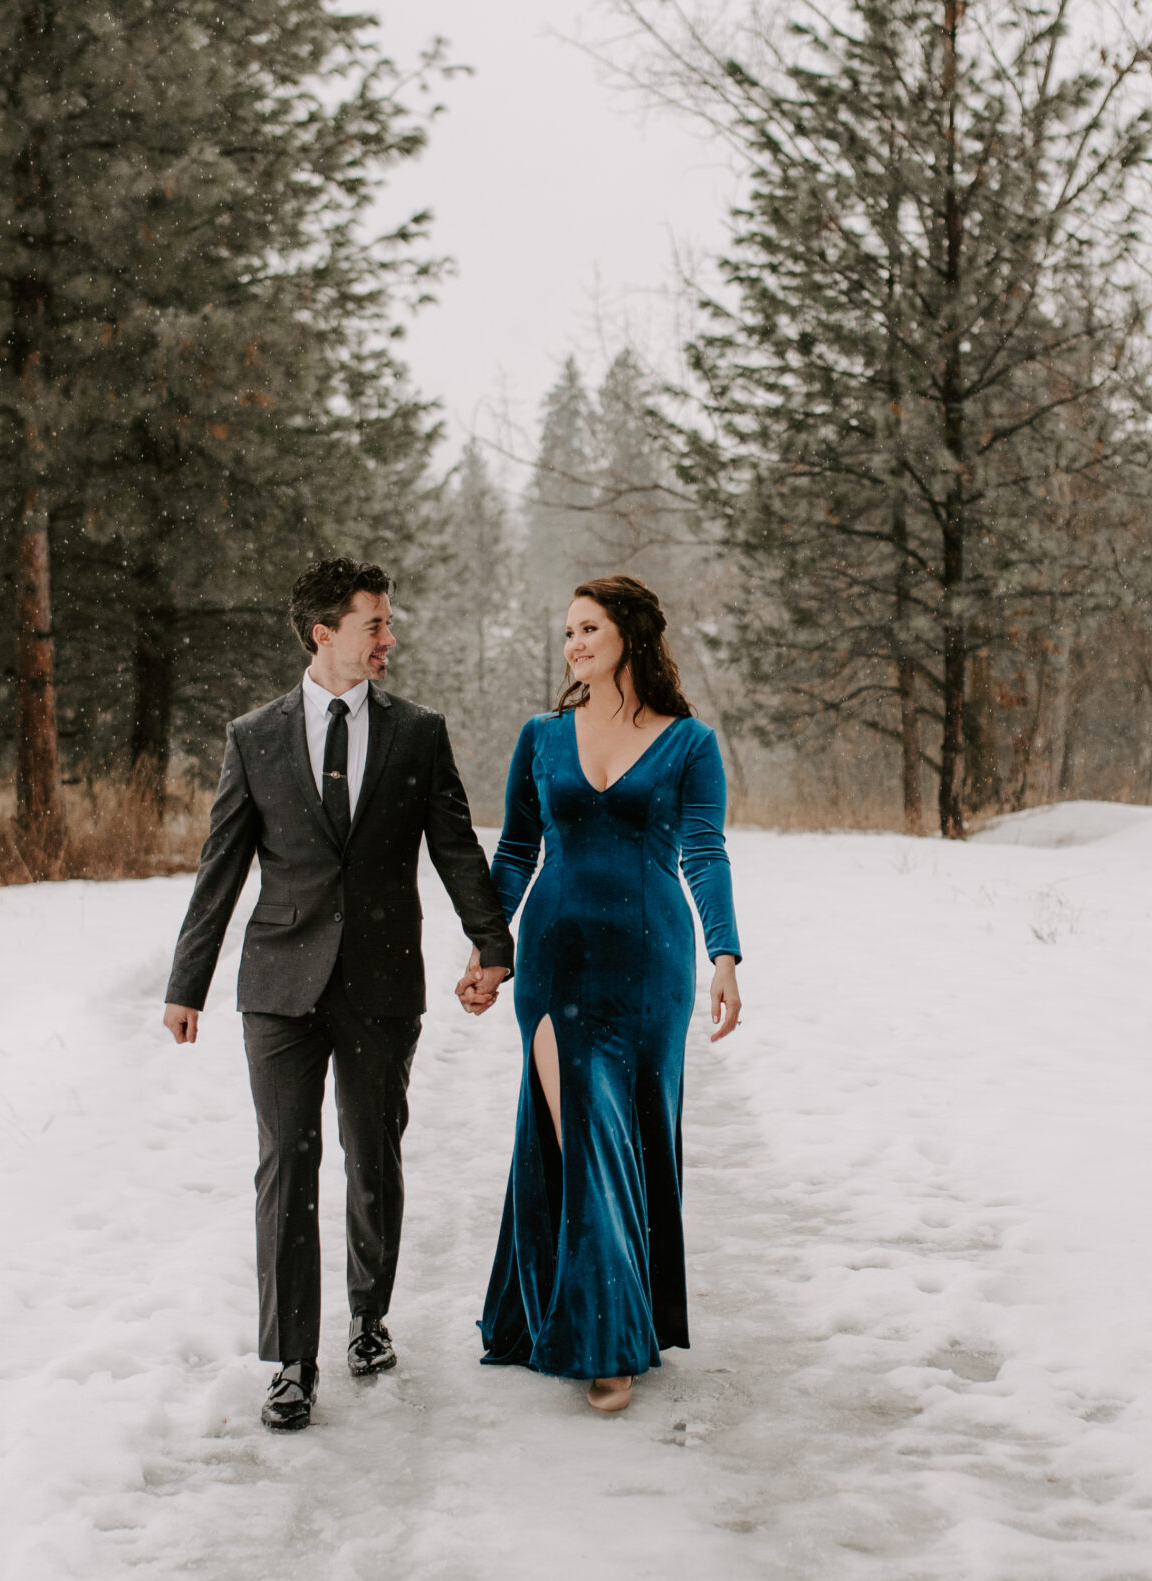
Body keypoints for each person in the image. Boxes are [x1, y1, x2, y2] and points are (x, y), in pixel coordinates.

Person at [163, 558, 515, 1432]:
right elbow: (222, 867)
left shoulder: (419, 733)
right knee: (286, 1164)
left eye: (388, 624)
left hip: (382, 981)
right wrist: (188, 982)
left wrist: (492, 942)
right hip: (279, 985)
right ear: (325, 634)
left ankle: (367, 1315)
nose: (389, 639)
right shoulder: (255, 736)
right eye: (375, 625)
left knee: (373, 1154)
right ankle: (290, 1360)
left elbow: (455, 850)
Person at [472, 575, 743, 1414]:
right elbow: (516, 850)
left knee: (635, 1140)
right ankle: (605, 1340)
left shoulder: (690, 743)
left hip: (653, 964)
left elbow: (704, 851)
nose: (574, 644)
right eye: (566, 632)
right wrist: (491, 947)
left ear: (628, 634)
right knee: (586, 1134)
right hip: (556, 959)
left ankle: (596, 1311)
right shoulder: (541, 738)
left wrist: (725, 953)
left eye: (588, 627)